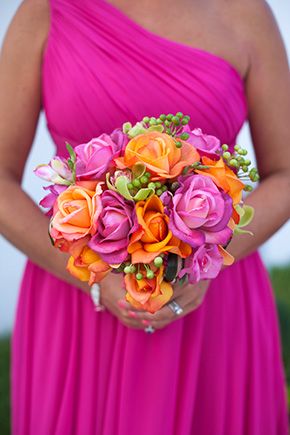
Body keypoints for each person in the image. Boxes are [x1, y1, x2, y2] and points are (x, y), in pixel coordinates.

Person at [0, 0, 289, 433]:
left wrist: (208, 259)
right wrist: (93, 278)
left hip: (213, 299)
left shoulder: (246, 13)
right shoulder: (44, 12)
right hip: (76, 299)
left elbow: (285, 172)